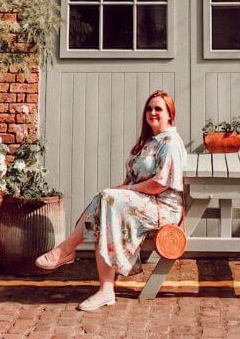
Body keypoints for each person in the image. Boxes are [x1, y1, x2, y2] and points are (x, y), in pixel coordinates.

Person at [36, 89, 187, 312]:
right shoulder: (151, 141)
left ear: (170, 115)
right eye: (149, 108)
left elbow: (161, 184)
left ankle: (68, 252)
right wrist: (121, 190)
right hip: (144, 201)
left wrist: (125, 189)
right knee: (103, 203)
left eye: (158, 108)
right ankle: (103, 289)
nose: (152, 112)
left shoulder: (169, 142)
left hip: (162, 207)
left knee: (107, 202)